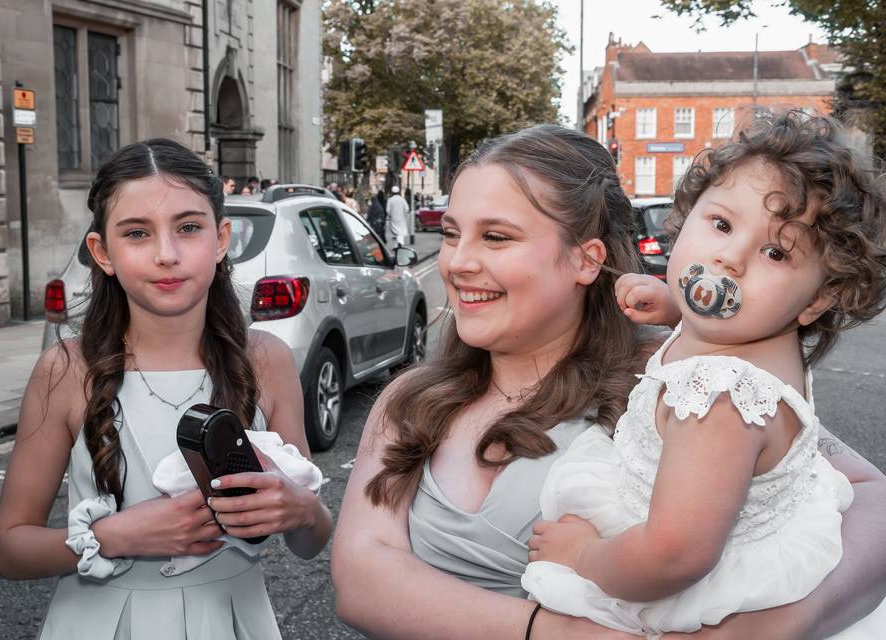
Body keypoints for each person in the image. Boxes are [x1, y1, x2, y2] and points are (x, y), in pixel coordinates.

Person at [330, 123, 886, 639]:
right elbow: (360, 579)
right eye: (453, 234)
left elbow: (865, 494)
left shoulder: (680, 381)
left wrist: (779, 624)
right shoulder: (412, 398)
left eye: (496, 237)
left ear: (586, 259)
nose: (457, 263)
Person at [521, 111, 886, 638]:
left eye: (776, 252)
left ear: (819, 299)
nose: (729, 259)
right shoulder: (756, 335)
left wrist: (585, 555)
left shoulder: (718, 401)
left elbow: (674, 555)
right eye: (721, 224)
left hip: (667, 577)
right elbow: (732, 321)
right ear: (688, 215)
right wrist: (676, 308)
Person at [0, 138, 332, 639]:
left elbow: (310, 541)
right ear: (102, 252)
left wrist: (301, 508)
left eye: (188, 227)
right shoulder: (65, 369)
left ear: (221, 240)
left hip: (235, 620)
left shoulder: (267, 360)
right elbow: (8, 550)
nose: (166, 255)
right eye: (137, 233)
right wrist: (114, 536)